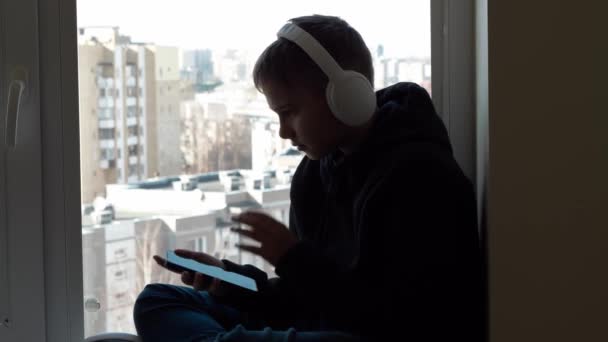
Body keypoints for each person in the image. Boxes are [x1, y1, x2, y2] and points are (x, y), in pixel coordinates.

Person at [133, 14, 484, 342]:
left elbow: (390, 318)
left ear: (345, 95)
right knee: (157, 299)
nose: (284, 132)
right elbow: (298, 298)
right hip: (320, 321)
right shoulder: (314, 172)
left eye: (289, 112)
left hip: (376, 333)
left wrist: (292, 257)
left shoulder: (422, 177)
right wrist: (226, 279)